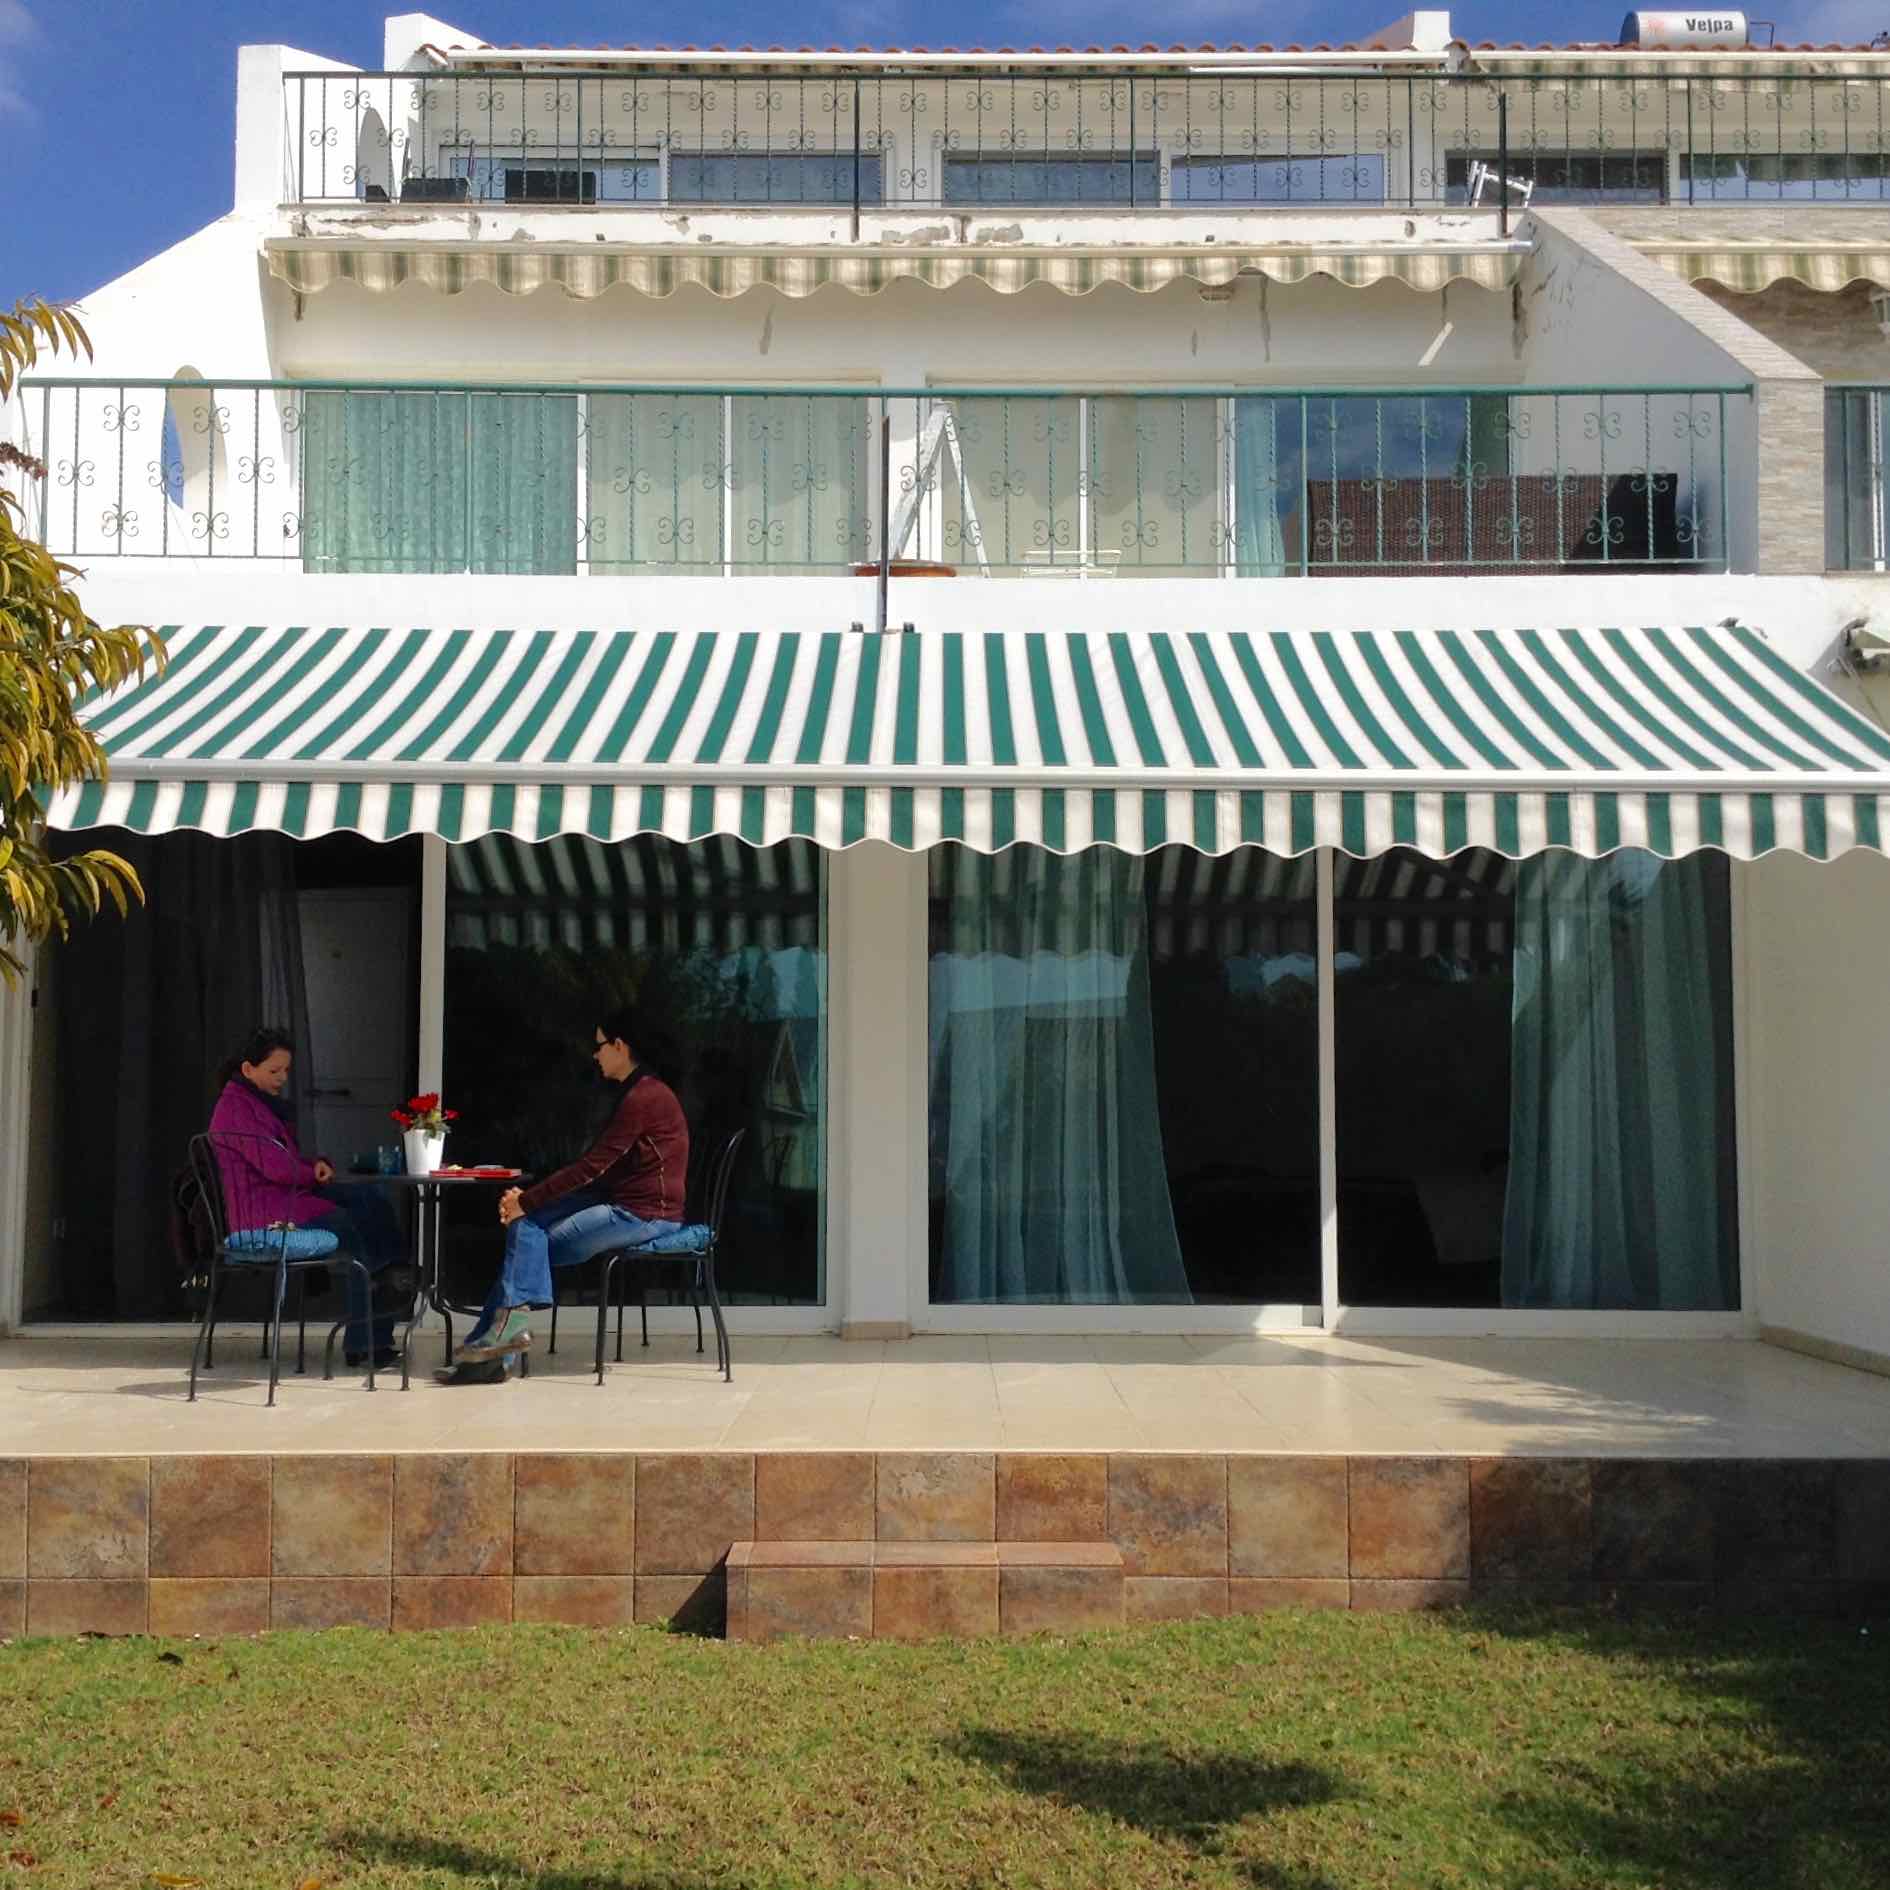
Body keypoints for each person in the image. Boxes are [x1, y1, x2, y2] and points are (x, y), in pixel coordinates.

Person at [455, 1009, 692, 1366]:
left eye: (600, 1046)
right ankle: (493, 1346)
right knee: (525, 1229)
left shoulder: (644, 1096)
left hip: (645, 1216)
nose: (595, 1055)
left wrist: (527, 1200)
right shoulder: (638, 1092)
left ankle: (491, 1352)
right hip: (627, 1205)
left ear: (620, 1046)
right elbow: (599, 1168)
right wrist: (527, 1203)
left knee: (525, 1245)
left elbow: (593, 1167)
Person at [206, 1026, 409, 1369]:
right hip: (266, 1215)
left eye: (286, 1070)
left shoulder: (258, 1103)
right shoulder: (235, 1108)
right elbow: (275, 1166)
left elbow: (283, 1159)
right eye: (275, 1070)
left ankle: (392, 1276)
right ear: (248, 1069)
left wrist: (313, 1165)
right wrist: (310, 1172)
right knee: (352, 1230)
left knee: (371, 1201)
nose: (283, 1078)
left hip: (286, 1200)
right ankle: (371, 1330)